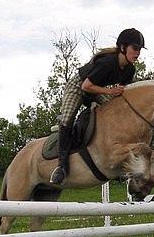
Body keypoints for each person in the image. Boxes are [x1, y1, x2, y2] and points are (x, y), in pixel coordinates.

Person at [50, 28, 146, 185]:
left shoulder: (130, 69)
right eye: (135, 49)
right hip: (78, 87)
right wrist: (109, 91)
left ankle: (117, 159)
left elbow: (123, 94)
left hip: (95, 89)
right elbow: (86, 86)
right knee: (67, 119)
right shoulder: (107, 62)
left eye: (139, 50)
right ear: (123, 48)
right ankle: (61, 167)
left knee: (114, 115)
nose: (138, 53)